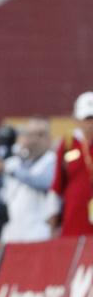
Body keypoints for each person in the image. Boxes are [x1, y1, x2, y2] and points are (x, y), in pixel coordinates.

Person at [0, 118, 56, 242]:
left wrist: (12, 170)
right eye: (30, 135)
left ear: (48, 138)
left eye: (40, 135)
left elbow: (44, 182)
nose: (34, 140)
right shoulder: (17, 161)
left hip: (38, 232)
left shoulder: (52, 160)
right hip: (14, 232)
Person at [52, 92, 93, 236]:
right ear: (77, 119)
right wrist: (52, 222)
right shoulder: (68, 143)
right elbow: (57, 185)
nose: (90, 124)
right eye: (87, 119)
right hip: (74, 220)